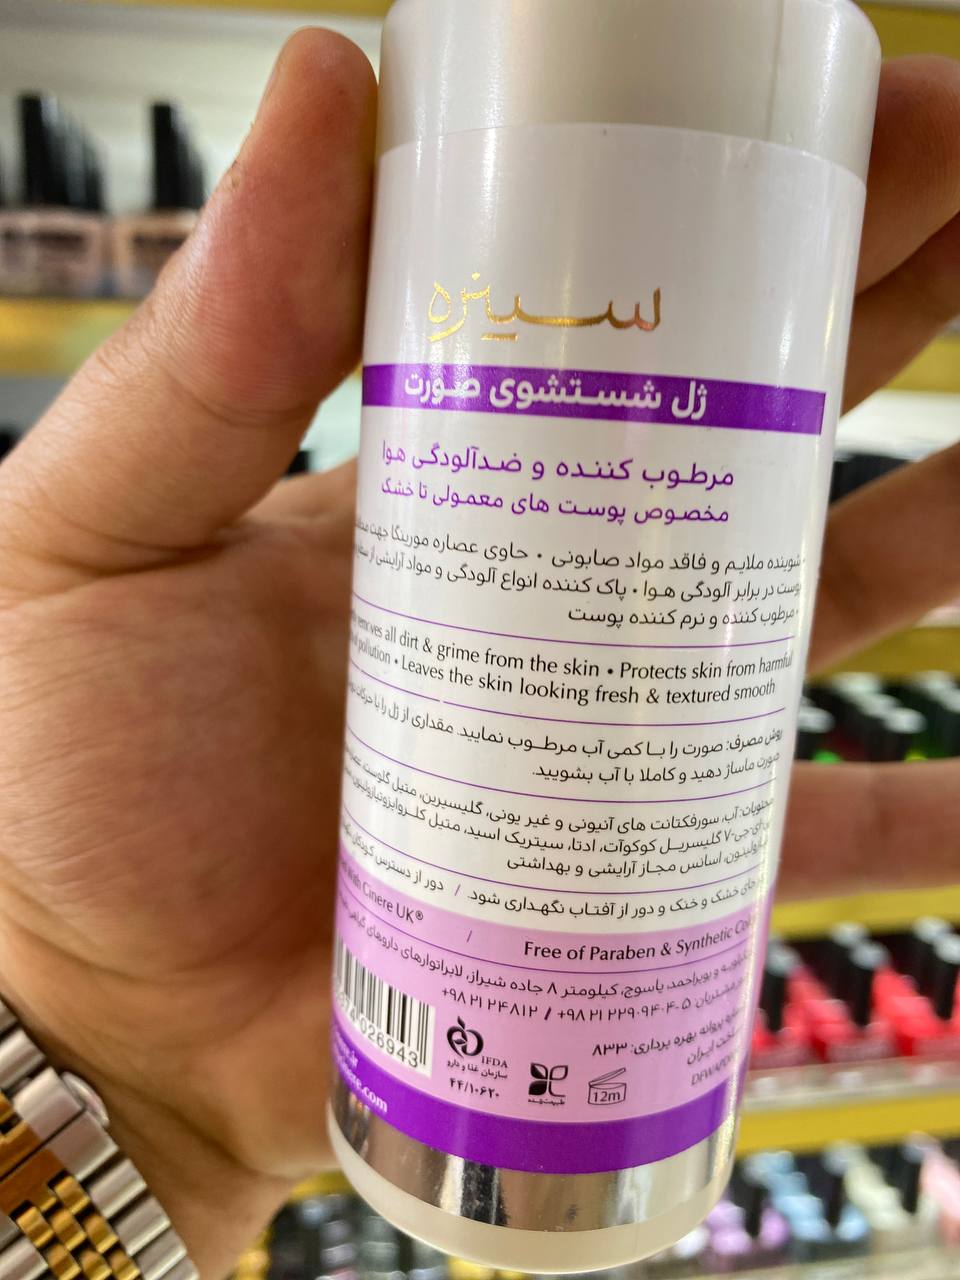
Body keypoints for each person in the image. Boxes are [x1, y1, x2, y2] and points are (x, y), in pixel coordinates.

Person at [0, 29, 957, 1279]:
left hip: (634, 1008)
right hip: (394, 1013)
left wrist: (114, 1093)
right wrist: (92, 1048)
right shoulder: (474, 53)